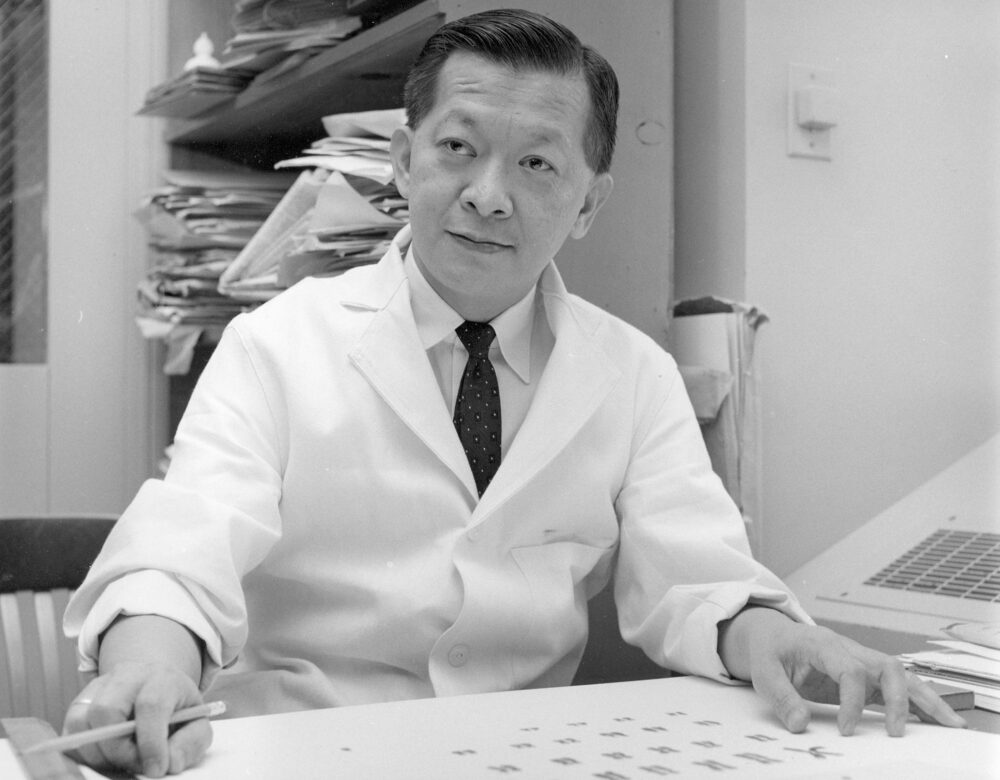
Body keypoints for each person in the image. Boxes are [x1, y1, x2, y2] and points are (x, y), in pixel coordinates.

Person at [61, 8, 966, 777]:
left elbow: (700, 584)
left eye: (538, 165)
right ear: (405, 161)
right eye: (458, 148)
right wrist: (150, 667)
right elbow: (180, 557)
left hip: (518, 757)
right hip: (306, 748)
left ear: (589, 203)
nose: (488, 196)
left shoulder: (633, 375)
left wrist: (783, 639)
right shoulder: (279, 342)